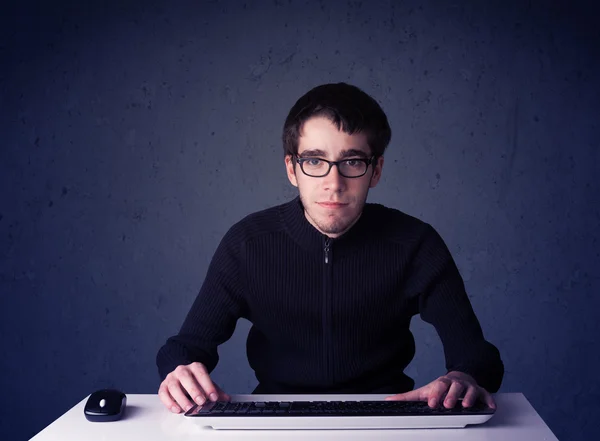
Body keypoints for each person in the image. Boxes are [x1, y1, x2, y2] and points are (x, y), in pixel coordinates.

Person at [156, 82, 504, 414]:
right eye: (314, 161)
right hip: (276, 423)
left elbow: (478, 358)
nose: (333, 184)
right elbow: (185, 349)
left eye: (352, 162)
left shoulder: (415, 244)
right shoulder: (247, 244)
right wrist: (180, 372)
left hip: (388, 421)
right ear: (292, 169)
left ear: (376, 170)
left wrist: (464, 377)